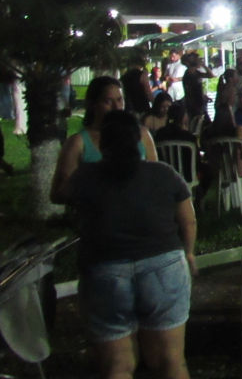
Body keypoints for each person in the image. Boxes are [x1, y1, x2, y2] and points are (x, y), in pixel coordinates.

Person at [50, 111, 196, 379]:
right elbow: (188, 221)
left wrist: (70, 154)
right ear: (137, 141)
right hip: (164, 265)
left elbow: (58, 194)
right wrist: (188, 252)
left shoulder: (86, 176)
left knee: (117, 364)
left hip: (104, 270)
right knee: (171, 360)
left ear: (103, 144)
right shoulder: (164, 173)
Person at [54, 77, 158, 193]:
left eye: (120, 100)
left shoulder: (142, 135)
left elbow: (155, 177)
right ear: (93, 104)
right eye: (108, 101)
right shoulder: (78, 142)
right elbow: (58, 192)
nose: (116, 107)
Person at [181, 52, 214, 121]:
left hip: (200, 104)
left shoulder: (196, 73)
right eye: (194, 59)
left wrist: (204, 65)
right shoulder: (188, 76)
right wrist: (197, 110)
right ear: (187, 62)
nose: (197, 60)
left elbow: (211, 75)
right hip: (195, 108)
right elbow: (189, 94)